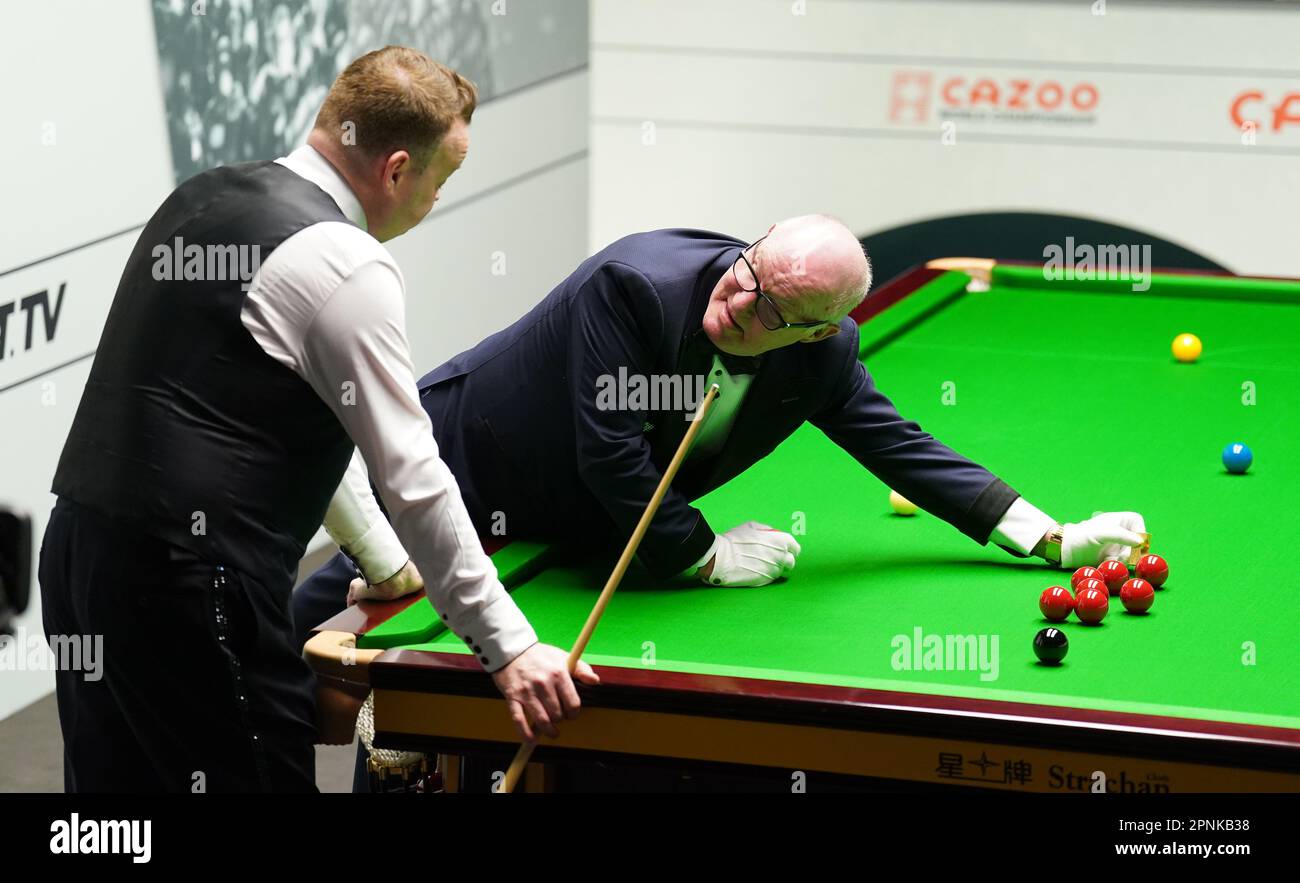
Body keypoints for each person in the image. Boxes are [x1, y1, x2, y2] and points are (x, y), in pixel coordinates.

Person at [296, 216, 1148, 775]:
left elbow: (900, 445)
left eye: (769, 306)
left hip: (572, 525)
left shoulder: (822, 358)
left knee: (403, 724)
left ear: (816, 330)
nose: (735, 298)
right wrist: (701, 553)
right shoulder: (634, 286)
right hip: (460, 471)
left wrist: (1048, 536)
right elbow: (613, 459)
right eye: (745, 272)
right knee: (307, 641)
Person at [38, 46, 590, 794]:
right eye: (442, 178)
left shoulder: (203, 196)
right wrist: (510, 648)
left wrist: (386, 562)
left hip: (79, 549)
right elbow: (414, 476)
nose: (435, 201)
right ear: (397, 169)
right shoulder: (345, 264)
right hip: (193, 587)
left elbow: (255, 416)